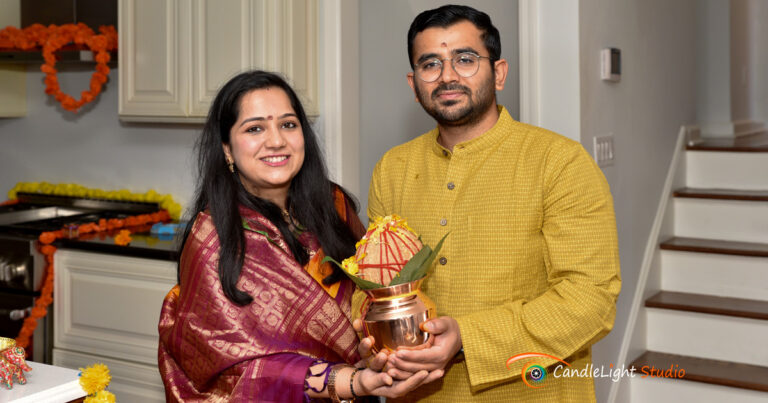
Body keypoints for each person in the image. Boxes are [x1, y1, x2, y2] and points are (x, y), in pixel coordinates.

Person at [363, 5, 621, 402]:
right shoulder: (392, 169)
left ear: (498, 73)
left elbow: (590, 299)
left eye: (465, 59)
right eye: (431, 64)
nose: (448, 75)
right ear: (414, 86)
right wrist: (373, 339)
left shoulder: (560, 162)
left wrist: (467, 337)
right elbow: (376, 285)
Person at [158, 70, 441, 402]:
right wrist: (346, 381)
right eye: (255, 128)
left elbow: (370, 297)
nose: (277, 140)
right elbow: (223, 367)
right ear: (228, 150)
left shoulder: (333, 206)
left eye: (288, 124)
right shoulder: (214, 239)